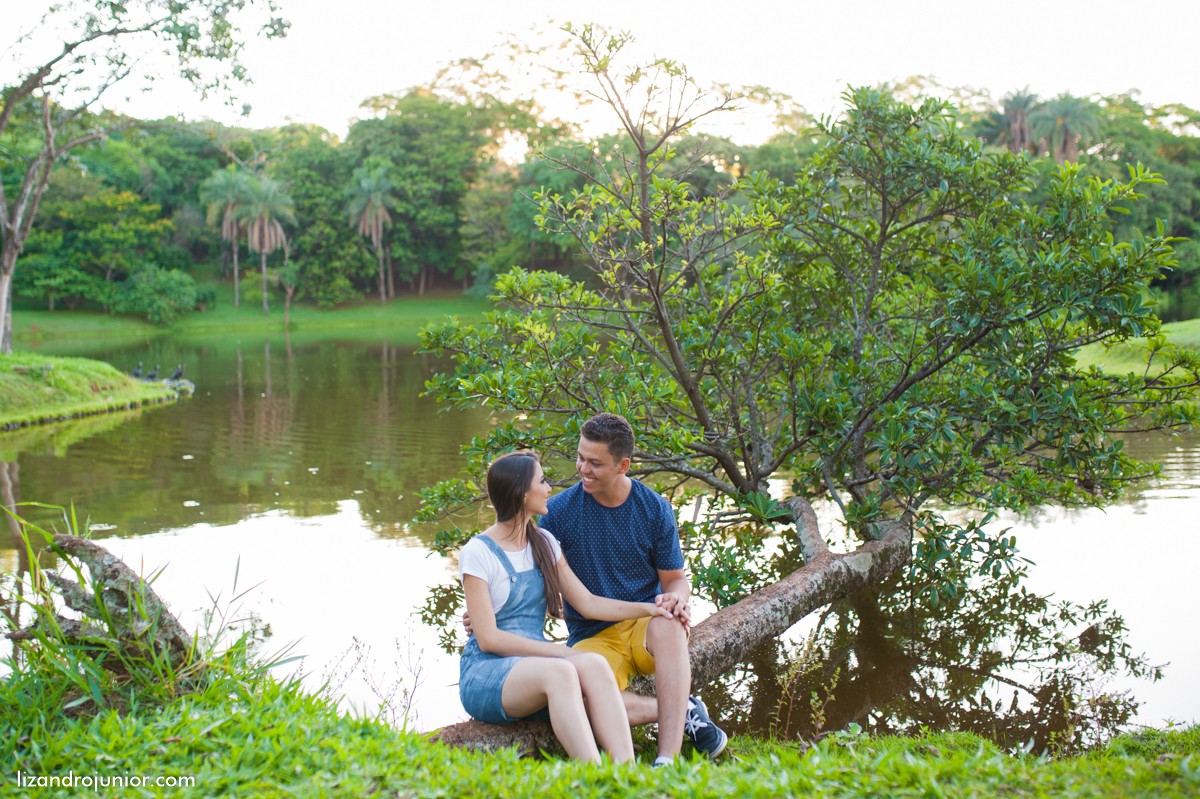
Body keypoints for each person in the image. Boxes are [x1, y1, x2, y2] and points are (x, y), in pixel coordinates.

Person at [458, 450, 683, 763]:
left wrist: (651, 609)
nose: (550, 488)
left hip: (534, 665)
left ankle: (626, 771)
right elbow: (489, 639)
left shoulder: (545, 543)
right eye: (543, 481)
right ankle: (595, 773)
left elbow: (588, 603)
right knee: (563, 670)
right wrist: (564, 651)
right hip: (488, 673)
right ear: (523, 494)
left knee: (593, 664)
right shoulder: (478, 552)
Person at [540, 413, 728, 766]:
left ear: (623, 464)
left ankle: (666, 759)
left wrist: (678, 598)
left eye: (596, 463)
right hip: (591, 633)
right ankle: (681, 709)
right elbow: (535, 577)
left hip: (647, 625)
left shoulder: (654, 508)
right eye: (581, 457)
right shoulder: (557, 513)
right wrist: (485, 612)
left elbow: (674, 578)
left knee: (672, 624)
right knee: (578, 702)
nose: (583, 468)